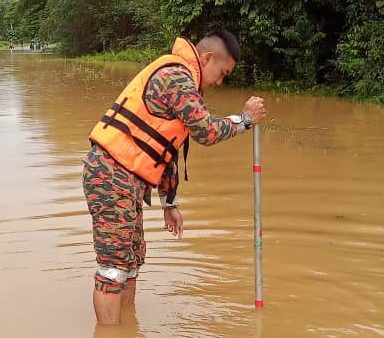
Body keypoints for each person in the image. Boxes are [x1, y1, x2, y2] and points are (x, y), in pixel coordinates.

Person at [82, 30, 267, 324]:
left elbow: (166, 149)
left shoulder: (184, 78)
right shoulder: (178, 76)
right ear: (207, 58)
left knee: (131, 260)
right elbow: (206, 132)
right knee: (114, 267)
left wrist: (170, 204)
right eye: (222, 73)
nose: (219, 82)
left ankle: (127, 326)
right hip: (111, 174)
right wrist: (243, 120)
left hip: (125, 178)